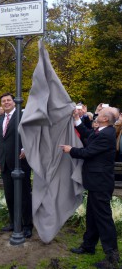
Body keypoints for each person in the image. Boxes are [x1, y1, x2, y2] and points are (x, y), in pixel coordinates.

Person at [60, 107, 120, 268]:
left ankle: (112, 256)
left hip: (100, 183)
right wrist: (76, 119)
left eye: (99, 113)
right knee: (92, 216)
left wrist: (70, 150)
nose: (96, 115)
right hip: (96, 182)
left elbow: (87, 152)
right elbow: (87, 135)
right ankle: (88, 246)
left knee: (103, 219)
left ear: (105, 119)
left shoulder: (106, 134)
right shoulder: (103, 130)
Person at [0, 92, 33, 238]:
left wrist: (25, 149)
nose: (6, 102)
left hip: (20, 162)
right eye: (3, 101)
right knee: (9, 196)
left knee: (24, 196)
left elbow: (31, 134)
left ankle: (27, 225)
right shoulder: (0, 120)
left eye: (8, 100)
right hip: (5, 164)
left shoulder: (23, 116)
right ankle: (13, 222)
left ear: (14, 102)